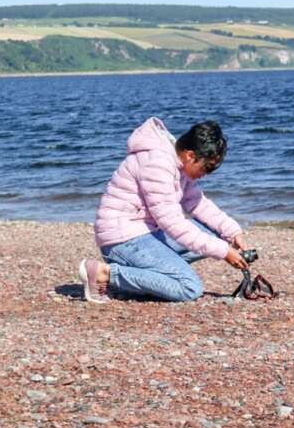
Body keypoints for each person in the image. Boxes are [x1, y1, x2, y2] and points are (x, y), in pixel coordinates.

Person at [78, 117, 248, 302]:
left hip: (147, 234)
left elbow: (198, 203)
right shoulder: (157, 163)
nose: (204, 175)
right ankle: (104, 273)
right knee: (189, 287)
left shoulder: (179, 164)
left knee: (216, 232)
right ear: (190, 155)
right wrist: (223, 252)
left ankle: (152, 277)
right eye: (206, 168)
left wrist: (232, 232)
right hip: (123, 239)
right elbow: (172, 222)